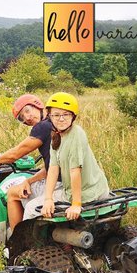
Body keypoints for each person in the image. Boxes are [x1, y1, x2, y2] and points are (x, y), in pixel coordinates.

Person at [0, 94, 63, 230]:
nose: (27, 117)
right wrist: (29, 181)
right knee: (25, 187)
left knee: (12, 193)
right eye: (22, 117)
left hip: (60, 184)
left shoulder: (42, 127)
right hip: (66, 178)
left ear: (37, 105)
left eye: (27, 110)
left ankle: (16, 245)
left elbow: (16, 153)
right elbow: (52, 167)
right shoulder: (56, 123)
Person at [41, 92, 110, 221]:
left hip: (89, 193)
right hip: (76, 191)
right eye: (56, 115)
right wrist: (48, 198)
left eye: (66, 114)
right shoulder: (56, 135)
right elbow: (53, 169)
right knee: (44, 202)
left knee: (31, 207)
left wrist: (76, 204)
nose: (61, 119)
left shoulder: (77, 134)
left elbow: (75, 171)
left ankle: (24, 241)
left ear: (73, 116)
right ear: (49, 116)